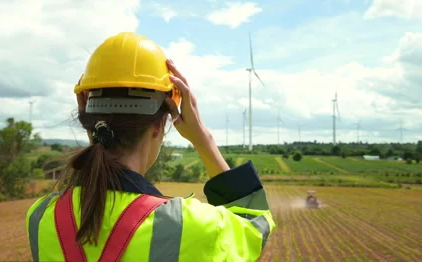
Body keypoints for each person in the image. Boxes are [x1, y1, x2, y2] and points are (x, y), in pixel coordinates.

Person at [26, 32, 276, 262]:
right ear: (159, 126)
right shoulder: (188, 226)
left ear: (86, 112)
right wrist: (204, 140)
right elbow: (254, 223)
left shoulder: (40, 217)